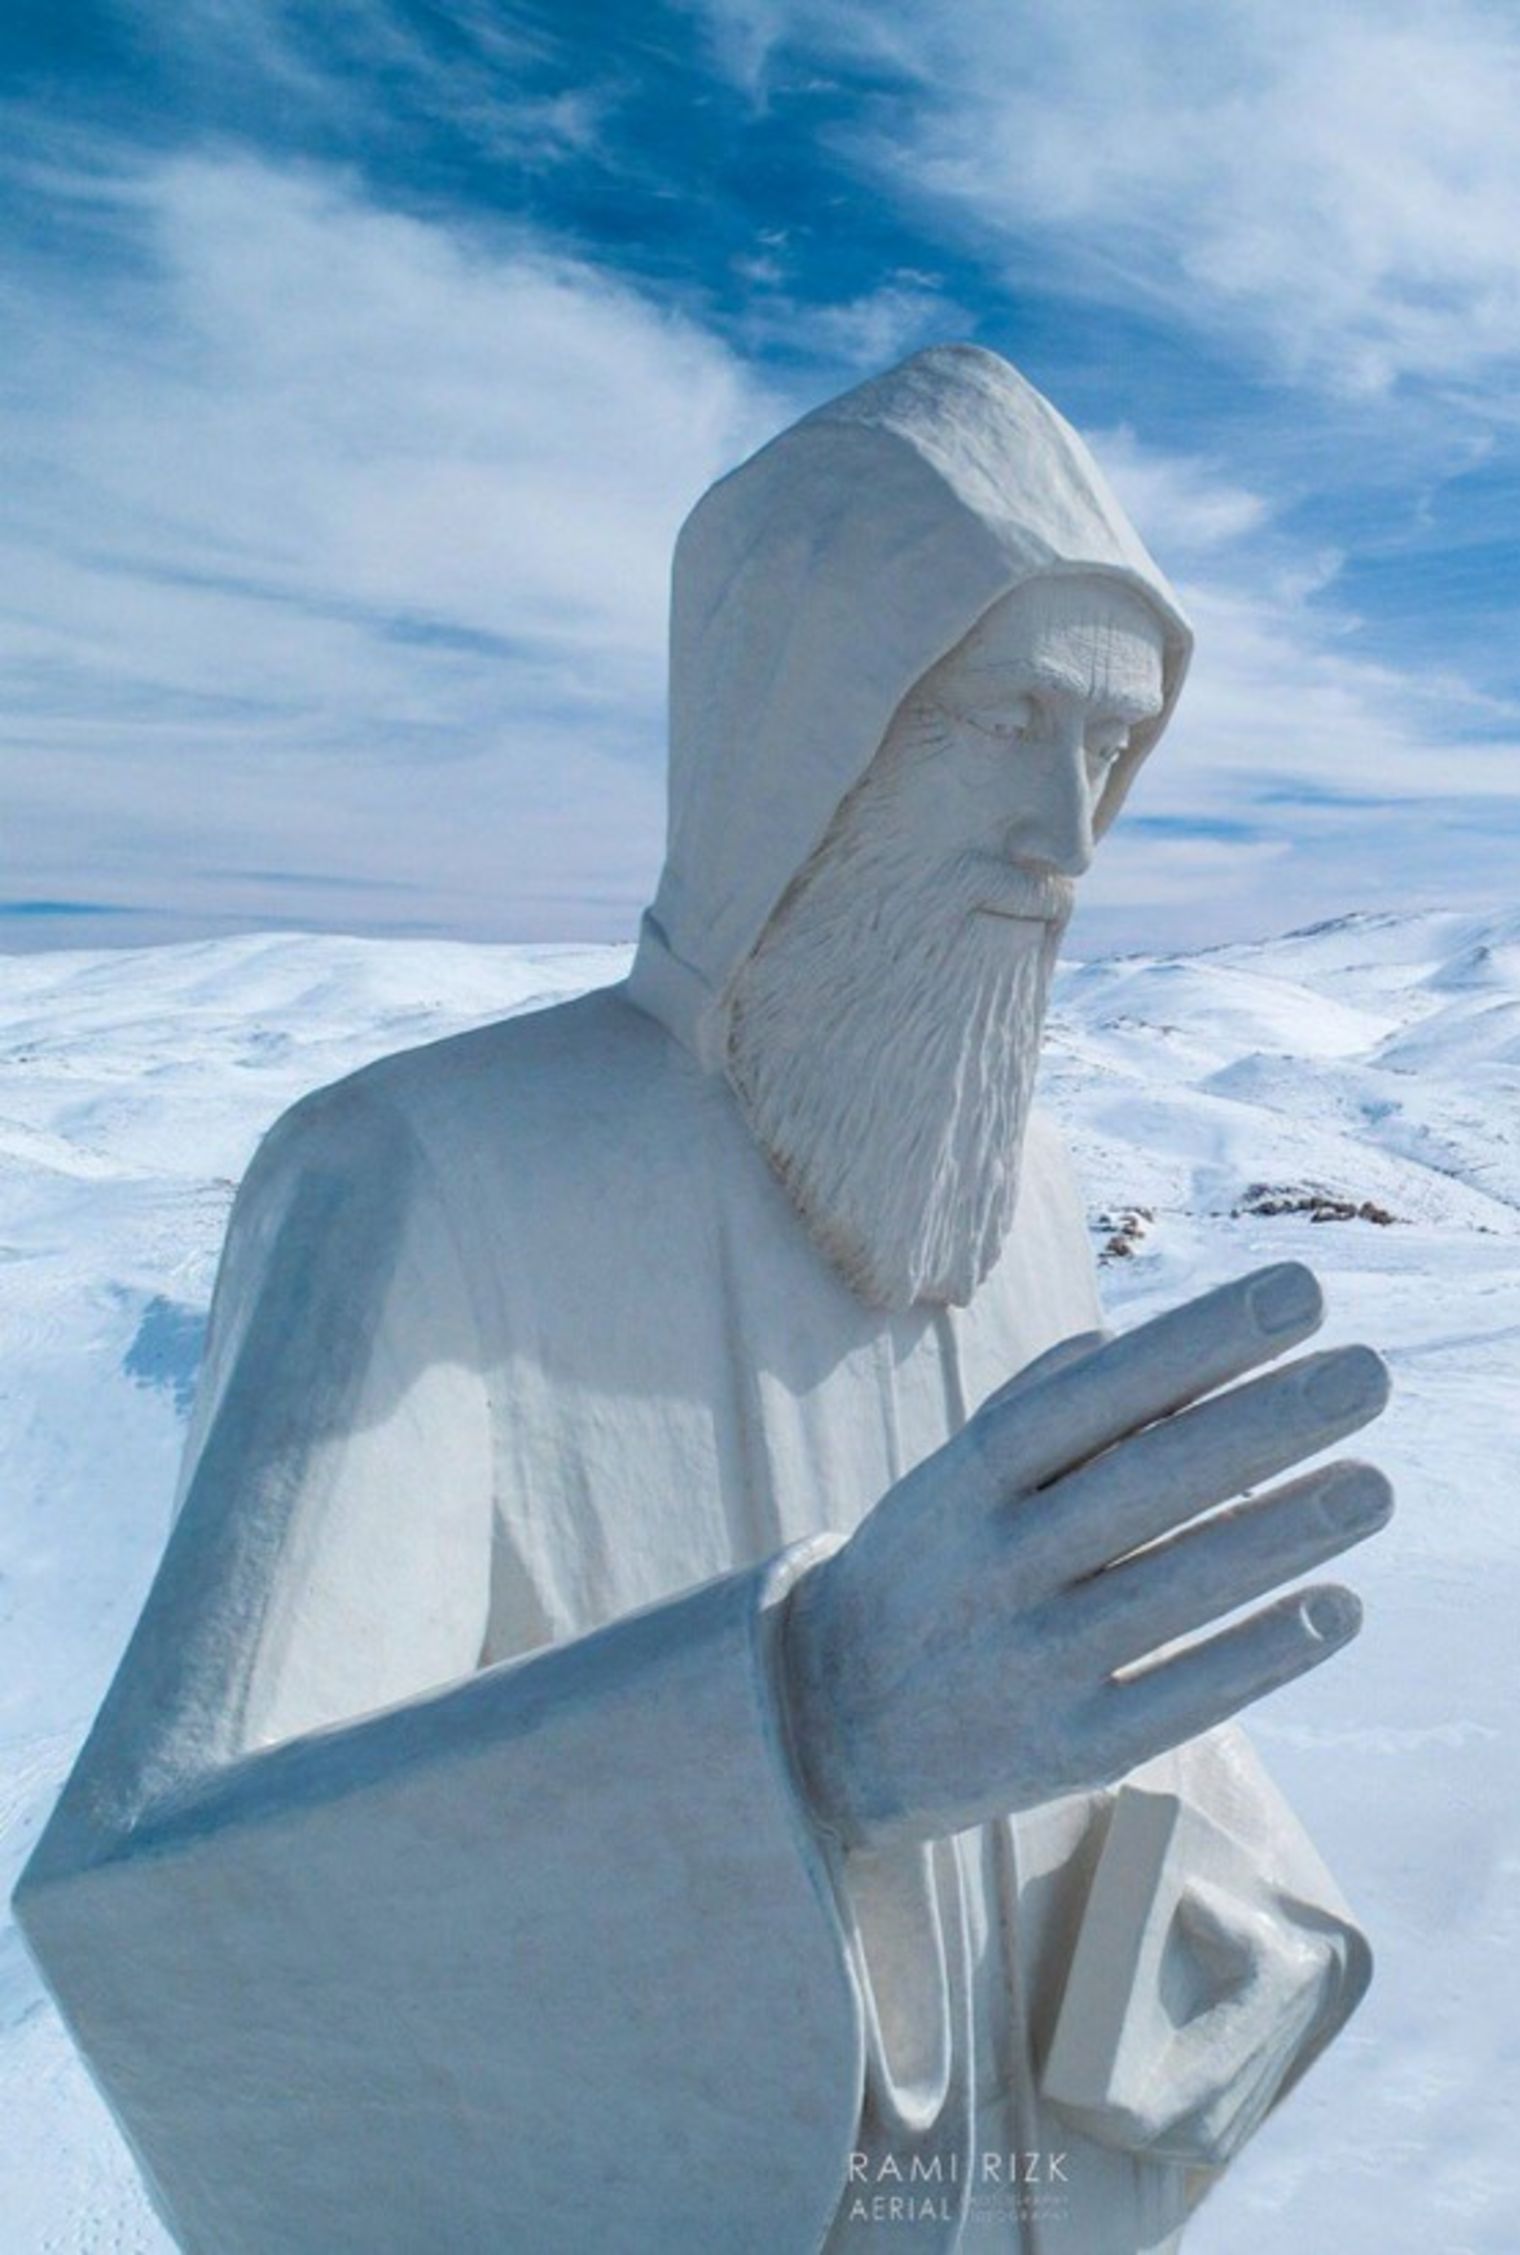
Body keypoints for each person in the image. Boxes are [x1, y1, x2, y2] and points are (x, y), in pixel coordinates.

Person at [15, 345, 1393, 2252]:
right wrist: (790, 1731)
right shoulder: (428, 1178)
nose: (1072, 842)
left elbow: (1039, 1695)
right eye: (1010, 719)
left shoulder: (1025, 1190)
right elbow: (160, 1915)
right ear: (803, 731)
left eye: (1113, 749)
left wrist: (1226, 1901)